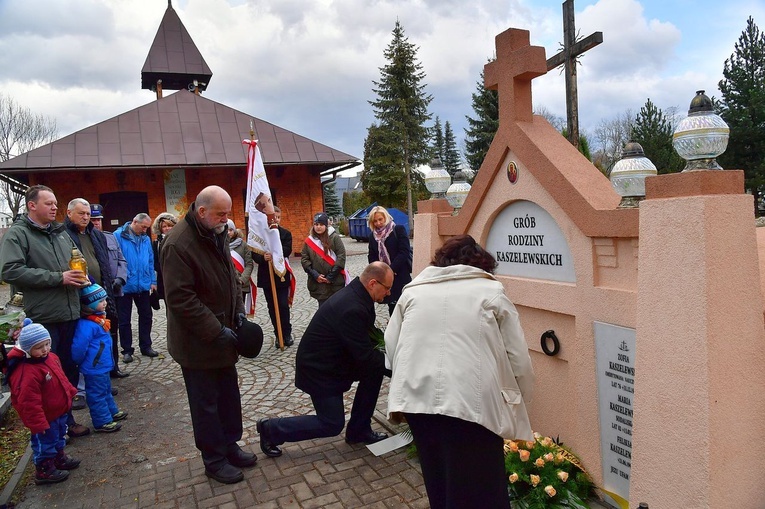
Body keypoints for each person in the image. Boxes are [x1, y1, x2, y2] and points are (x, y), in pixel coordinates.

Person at [384, 234, 535, 509]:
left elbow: (391, 345)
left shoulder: (413, 291)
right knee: (483, 488)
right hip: (473, 405)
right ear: (482, 265)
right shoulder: (491, 292)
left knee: (438, 479)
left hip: (419, 401)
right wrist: (520, 399)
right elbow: (518, 357)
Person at [160, 185, 256, 485]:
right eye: (221, 214)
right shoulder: (178, 244)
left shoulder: (214, 233)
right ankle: (213, 459)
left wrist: (239, 313)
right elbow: (180, 299)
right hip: (197, 343)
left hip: (225, 335)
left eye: (228, 214)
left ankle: (229, 445)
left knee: (228, 397)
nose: (227, 220)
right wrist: (217, 330)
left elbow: (230, 278)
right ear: (202, 212)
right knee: (206, 404)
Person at [256, 262, 393, 458]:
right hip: (319, 369)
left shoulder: (359, 295)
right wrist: (397, 370)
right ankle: (271, 429)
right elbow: (365, 355)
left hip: (336, 361)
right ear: (373, 283)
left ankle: (358, 430)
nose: (388, 293)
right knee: (331, 423)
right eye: (387, 288)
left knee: (374, 371)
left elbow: (366, 345)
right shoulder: (352, 307)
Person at [0, 185, 91, 438]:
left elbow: (75, 262)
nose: (54, 207)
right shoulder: (18, 234)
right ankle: (51, 434)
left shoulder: (60, 233)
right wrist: (57, 278)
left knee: (67, 371)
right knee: (48, 377)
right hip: (42, 319)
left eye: (55, 203)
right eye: (49, 203)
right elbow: (10, 271)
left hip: (70, 312)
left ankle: (67, 422)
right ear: (32, 205)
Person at [64, 198, 126, 413]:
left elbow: (105, 264)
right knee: (83, 340)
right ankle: (80, 390)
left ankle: (104, 380)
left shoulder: (96, 234)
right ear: (69, 213)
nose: (86, 217)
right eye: (81, 213)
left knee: (105, 334)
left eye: (88, 214)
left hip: (100, 293)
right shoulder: (64, 235)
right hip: (79, 295)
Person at [4, 319, 81, 484]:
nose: (45, 349)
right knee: (45, 443)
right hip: (44, 418)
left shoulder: (50, 358)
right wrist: (37, 423)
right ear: (27, 349)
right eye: (39, 347)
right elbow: (28, 402)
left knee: (59, 436)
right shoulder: (26, 372)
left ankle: (58, 457)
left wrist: (70, 391)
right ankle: (44, 469)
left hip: (58, 411)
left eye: (47, 344)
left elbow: (61, 377)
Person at [72, 283, 128, 433]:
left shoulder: (99, 320)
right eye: (101, 301)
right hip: (94, 366)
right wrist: (78, 361)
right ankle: (102, 421)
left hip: (101, 365)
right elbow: (79, 347)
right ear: (90, 305)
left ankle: (111, 411)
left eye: (105, 300)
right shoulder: (87, 325)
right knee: (96, 394)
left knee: (105, 390)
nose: (105, 303)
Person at [90, 204, 130, 379]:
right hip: (94, 296)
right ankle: (100, 371)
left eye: (98, 219)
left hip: (114, 292)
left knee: (113, 330)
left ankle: (114, 366)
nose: (96, 223)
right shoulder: (84, 239)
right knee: (97, 331)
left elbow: (122, 260)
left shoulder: (110, 238)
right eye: (93, 220)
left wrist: (120, 279)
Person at [114, 213, 158, 362]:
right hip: (125, 285)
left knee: (146, 316)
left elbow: (151, 260)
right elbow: (114, 260)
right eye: (143, 227)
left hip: (144, 284)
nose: (145, 230)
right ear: (134, 222)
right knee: (124, 320)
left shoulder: (145, 238)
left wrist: (153, 280)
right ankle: (127, 350)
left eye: (147, 227)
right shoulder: (118, 236)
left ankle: (146, 346)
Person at [251, 206, 295, 348]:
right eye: (272, 217)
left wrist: (276, 252)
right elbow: (254, 253)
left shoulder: (285, 234)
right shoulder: (260, 236)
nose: (275, 219)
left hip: (281, 275)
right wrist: (263, 257)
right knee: (272, 307)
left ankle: (286, 333)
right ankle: (278, 335)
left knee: (282, 305)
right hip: (267, 277)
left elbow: (288, 250)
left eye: (278, 217)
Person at [367, 206, 412, 316]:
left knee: (405, 305)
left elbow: (404, 251)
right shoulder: (373, 236)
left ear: (385, 218)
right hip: (384, 278)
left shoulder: (398, 229)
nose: (378, 223)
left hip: (400, 274)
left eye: (380, 219)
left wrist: (390, 270)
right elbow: (372, 256)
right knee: (392, 307)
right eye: (375, 221)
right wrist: (378, 271)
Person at [300, 212, 347, 307]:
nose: (318, 227)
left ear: (326, 225)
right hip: (319, 283)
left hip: (335, 282)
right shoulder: (309, 241)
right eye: (316, 224)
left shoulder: (334, 238)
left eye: (321, 224)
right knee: (323, 310)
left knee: (337, 309)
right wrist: (315, 275)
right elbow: (304, 260)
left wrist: (330, 277)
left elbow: (341, 256)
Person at [227, 221, 255, 313]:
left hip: (240, 284)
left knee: (240, 312)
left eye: (231, 230)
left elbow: (249, 264)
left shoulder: (243, 245)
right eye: (226, 230)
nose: (228, 232)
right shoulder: (220, 245)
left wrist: (242, 280)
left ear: (235, 231)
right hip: (226, 284)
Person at [151, 212, 177, 304]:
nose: (167, 228)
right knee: (168, 302)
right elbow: (155, 261)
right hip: (164, 277)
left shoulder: (180, 239)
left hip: (179, 276)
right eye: (164, 226)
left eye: (170, 226)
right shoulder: (156, 243)